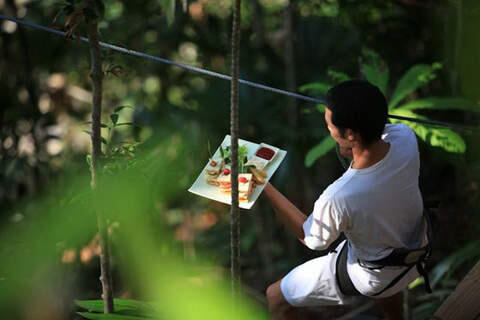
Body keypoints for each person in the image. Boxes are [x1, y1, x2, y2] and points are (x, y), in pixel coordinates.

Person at [263, 79, 428, 320]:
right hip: (416, 253)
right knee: (377, 249)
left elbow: (311, 238)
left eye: (329, 124)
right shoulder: (406, 138)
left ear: (350, 134)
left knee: (274, 295)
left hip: (375, 276)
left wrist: (263, 186)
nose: (328, 129)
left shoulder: (340, 196)